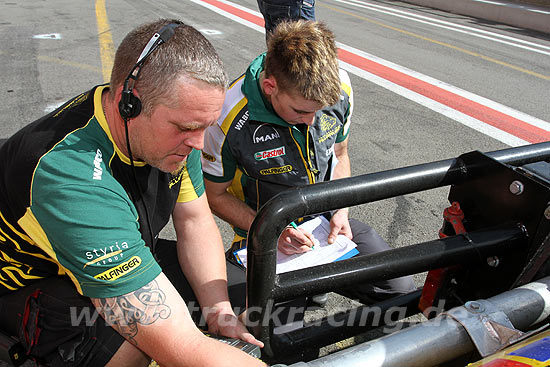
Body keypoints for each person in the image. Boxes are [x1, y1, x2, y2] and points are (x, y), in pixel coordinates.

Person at [0, 19, 266, 367]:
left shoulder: (169, 128)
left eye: (205, 126)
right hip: (27, 282)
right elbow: (182, 348)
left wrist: (217, 309)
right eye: (187, 127)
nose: (199, 143)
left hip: (107, 247)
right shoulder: (70, 174)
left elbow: (194, 220)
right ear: (130, 102)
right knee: (131, 345)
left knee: (246, 292)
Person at [201, 20, 415, 308]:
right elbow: (213, 195)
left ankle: (317, 280)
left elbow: (340, 154)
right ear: (270, 86)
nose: (312, 120)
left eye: (319, 110)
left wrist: (341, 209)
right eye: (301, 111)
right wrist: (269, 231)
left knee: (402, 291)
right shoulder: (227, 114)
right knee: (283, 342)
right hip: (264, 236)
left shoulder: (340, 87)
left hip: (327, 229)